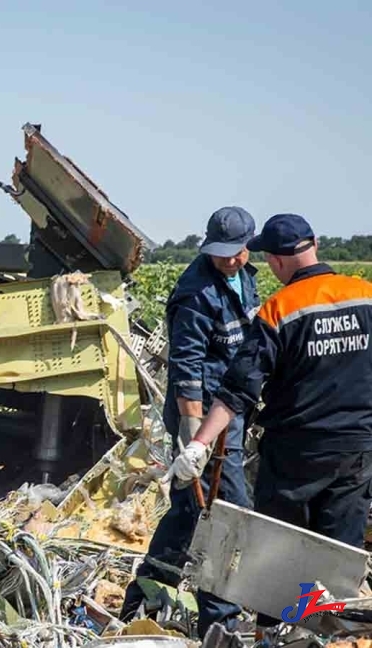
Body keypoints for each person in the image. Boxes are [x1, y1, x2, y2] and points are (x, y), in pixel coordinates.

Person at [169, 213, 372, 637]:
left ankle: (278, 637)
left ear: (276, 262)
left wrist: (198, 444)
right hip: (357, 450)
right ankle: (335, 636)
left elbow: (238, 389)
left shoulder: (281, 309)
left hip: (295, 452)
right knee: (341, 556)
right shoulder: (365, 295)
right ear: (314, 243)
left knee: (280, 559)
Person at [119, 206, 261, 637]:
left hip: (230, 409)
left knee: (187, 513)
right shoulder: (196, 293)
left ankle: (144, 599)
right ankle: (220, 622)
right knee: (222, 513)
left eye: (236, 253)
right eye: (221, 255)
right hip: (202, 416)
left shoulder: (245, 277)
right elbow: (187, 367)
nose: (230, 260)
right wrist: (193, 437)